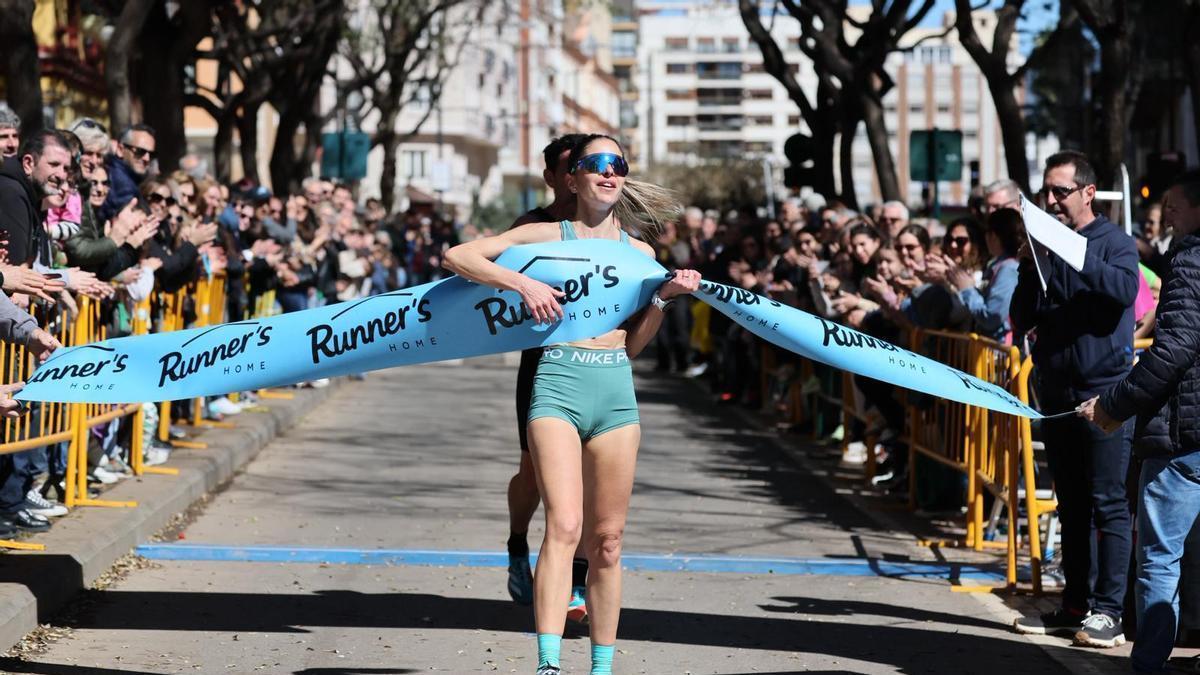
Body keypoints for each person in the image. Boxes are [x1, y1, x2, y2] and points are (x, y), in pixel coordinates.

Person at [444, 134, 698, 675]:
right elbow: (460, 255)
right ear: (573, 178)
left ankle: (602, 667)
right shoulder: (543, 235)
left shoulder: (640, 254)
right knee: (563, 524)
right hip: (557, 381)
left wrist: (662, 299)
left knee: (606, 542)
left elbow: (633, 345)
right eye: (596, 164)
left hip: (615, 390)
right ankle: (548, 665)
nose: (608, 173)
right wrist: (519, 284)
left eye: (618, 165)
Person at [1010, 150, 1140, 648]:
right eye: (1045, 192)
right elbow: (1024, 316)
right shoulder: (1046, 247)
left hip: (1102, 394)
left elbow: (1124, 291)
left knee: (1109, 503)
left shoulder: (1114, 242)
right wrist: (1028, 266)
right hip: (1058, 392)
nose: (1050, 201)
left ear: (1088, 193)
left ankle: (1110, 611)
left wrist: (1070, 251)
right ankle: (1076, 603)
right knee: (1072, 504)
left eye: (1060, 191)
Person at [1079, 170, 1200, 673]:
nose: (1166, 214)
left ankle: (1149, 662)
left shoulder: (1190, 260)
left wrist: (1113, 405)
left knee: (1159, 560)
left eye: (1175, 205)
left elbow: (1173, 348)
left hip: (1182, 441)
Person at [503, 133, 591, 621]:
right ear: (555, 178)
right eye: (572, 167)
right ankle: (518, 545)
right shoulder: (531, 226)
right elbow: (478, 271)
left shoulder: (611, 226)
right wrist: (522, 284)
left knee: (587, 479)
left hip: (599, 367)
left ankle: (574, 585)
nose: (584, 175)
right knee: (534, 475)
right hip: (541, 364)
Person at [99, 124, 156, 223]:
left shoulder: (129, 178)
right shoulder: (122, 183)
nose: (147, 159)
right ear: (121, 150)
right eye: (140, 151)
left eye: (151, 154)